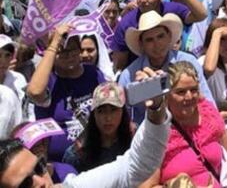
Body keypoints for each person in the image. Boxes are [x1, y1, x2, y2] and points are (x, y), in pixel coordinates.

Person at [0, 68, 170, 188]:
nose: (41, 182)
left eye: (39, 167)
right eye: (25, 184)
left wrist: (156, 108)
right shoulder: (76, 152)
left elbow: (135, 167)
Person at [148, 61, 227, 187]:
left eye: (193, 90)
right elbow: (147, 185)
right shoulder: (158, 131)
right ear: (167, 95)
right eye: (181, 92)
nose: (189, 96)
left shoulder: (209, 113)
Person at [26, 23, 106, 161]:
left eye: (73, 49)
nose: (68, 55)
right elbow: (34, 92)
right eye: (61, 51)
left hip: (94, 152)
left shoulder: (93, 73)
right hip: (59, 161)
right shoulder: (49, 81)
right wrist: (55, 42)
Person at [118, 11, 212, 123]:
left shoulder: (189, 62)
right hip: (148, 134)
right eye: (149, 40)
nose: (157, 43)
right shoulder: (128, 75)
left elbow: (207, 102)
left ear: (169, 37)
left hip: (189, 129)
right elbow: (121, 116)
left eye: (160, 36)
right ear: (142, 44)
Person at [62, 82, 133, 172]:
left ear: (123, 112)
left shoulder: (135, 139)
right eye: (101, 111)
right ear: (94, 114)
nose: (108, 118)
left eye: (113, 110)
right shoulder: (78, 153)